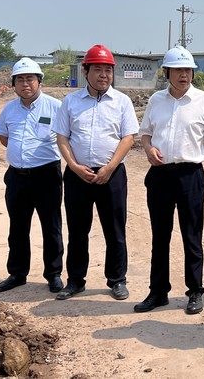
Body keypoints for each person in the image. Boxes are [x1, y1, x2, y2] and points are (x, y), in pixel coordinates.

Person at [135, 46, 204, 315]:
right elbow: (145, 133)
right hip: (160, 175)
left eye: (188, 70)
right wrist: (148, 149)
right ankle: (158, 291)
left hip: (190, 175)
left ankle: (195, 291)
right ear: (167, 72)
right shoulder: (156, 101)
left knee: (192, 235)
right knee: (160, 236)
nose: (184, 75)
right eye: (178, 70)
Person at [53, 44, 139, 301]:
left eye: (108, 70)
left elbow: (128, 138)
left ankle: (117, 279)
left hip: (112, 175)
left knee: (115, 230)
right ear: (85, 71)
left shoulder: (122, 102)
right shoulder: (71, 102)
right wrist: (73, 166)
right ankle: (75, 281)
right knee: (78, 231)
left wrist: (109, 168)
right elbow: (62, 137)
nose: (104, 75)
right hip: (78, 175)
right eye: (98, 69)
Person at [0, 58, 64, 293]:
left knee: (51, 226)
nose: (26, 84)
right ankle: (17, 273)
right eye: (20, 79)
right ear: (13, 84)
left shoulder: (55, 107)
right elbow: (4, 137)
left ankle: (53, 274)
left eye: (30, 79)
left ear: (39, 81)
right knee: (18, 227)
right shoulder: (9, 109)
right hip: (17, 176)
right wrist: (20, 154)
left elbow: (67, 138)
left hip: (46, 175)